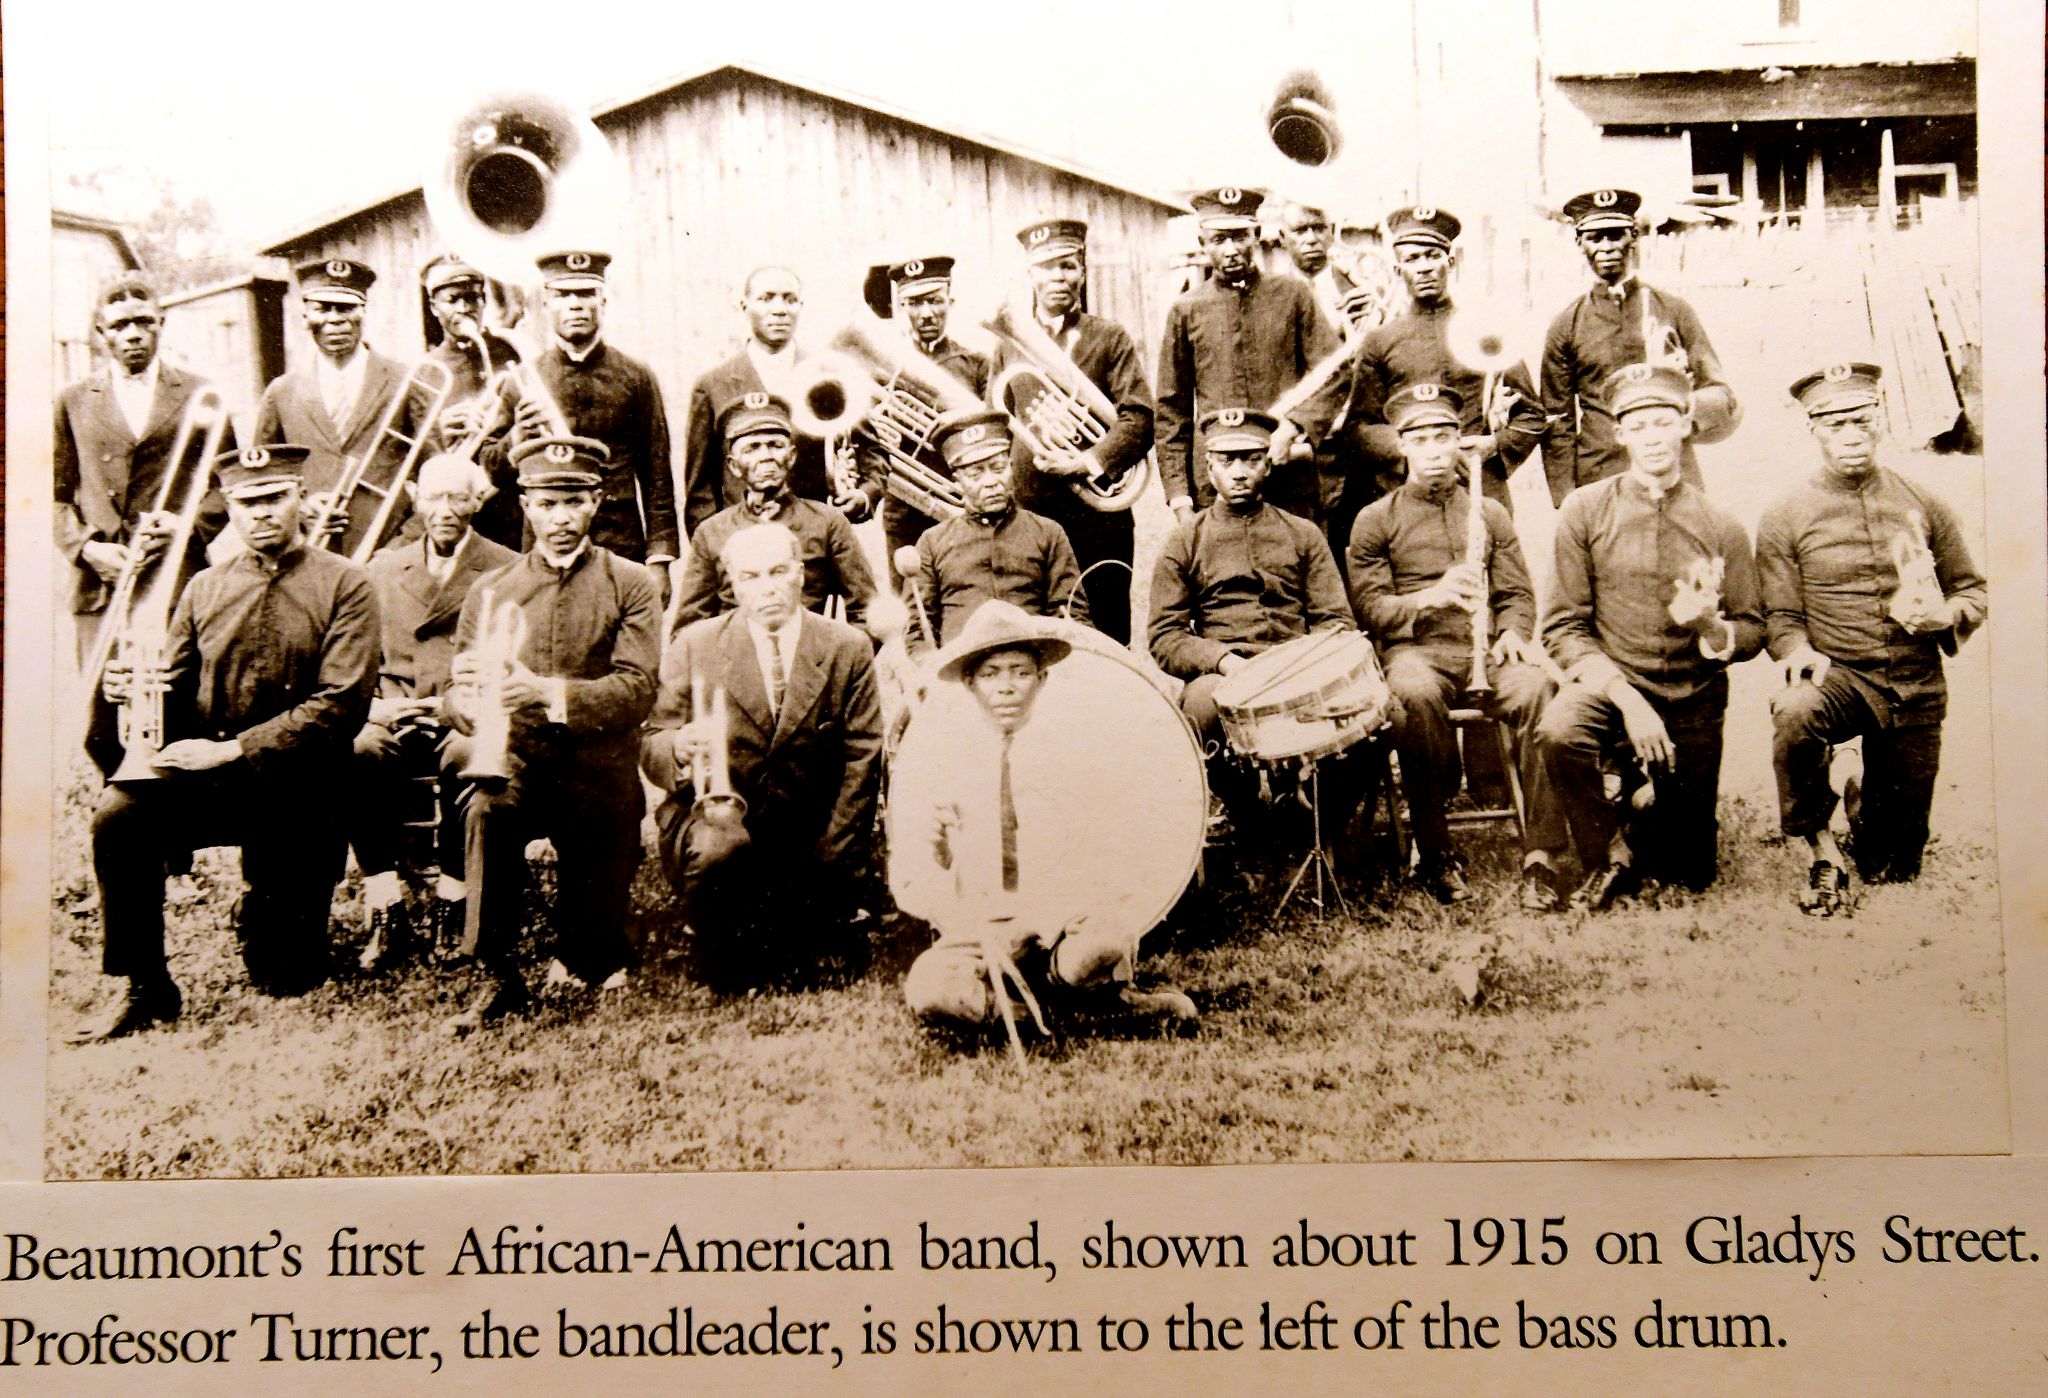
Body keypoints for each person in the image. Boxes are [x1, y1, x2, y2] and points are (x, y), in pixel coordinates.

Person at [73, 445, 380, 1041]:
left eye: (274, 498)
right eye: (247, 502)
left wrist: (235, 749)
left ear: (299, 499)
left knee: (288, 975)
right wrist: (131, 692)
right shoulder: (204, 588)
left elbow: (341, 705)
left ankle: (263, 910)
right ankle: (144, 984)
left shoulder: (348, 585)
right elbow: (176, 689)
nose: (261, 513)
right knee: (120, 818)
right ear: (231, 510)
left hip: (304, 788)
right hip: (214, 781)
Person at [442, 435, 662, 1030]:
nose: (559, 519)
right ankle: (497, 973)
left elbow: (637, 689)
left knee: (594, 960)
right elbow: (456, 699)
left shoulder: (632, 583)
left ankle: (590, 942)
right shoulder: (490, 590)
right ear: (525, 506)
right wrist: (466, 697)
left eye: (573, 503)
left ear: (597, 502)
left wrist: (545, 693)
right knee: (487, 809)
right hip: (523, 761)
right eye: (545, 504)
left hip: (600, 768)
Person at [900, 602, 1196, 1042]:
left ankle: (1056, 996)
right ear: (969, 684)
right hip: (989, 935)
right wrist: (938, 849)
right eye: (990, 674)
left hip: (1063, 928)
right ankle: (1059, 1015)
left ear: (1042, 679)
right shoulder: (949, 760)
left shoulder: (1076, 751)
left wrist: (1042, 922)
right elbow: (924, 887)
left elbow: (1112, 865)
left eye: (1020, 672)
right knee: (928, 987)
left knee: (1108, 933)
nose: (1006, 688)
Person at [1756, 361, 1988, 912]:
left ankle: (1863, 801)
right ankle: (1819, 846)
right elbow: (1781, 618)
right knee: (1795, 710)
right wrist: (1798, 650)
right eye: (1835, 424)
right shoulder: (1785, 514)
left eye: (1862, 420)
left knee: (1893, 867)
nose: (1852, 435)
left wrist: (1944, 616)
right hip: (1842, 679)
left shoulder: (1924, 502)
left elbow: (1973, 591)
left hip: (1914, 682)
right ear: (1811, 428)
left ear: (1880, 420)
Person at [1536, 364, 1764, 908]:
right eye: (1638, 426)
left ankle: (1640, 806)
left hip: (1693, 699)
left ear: (1687, 426)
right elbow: (1562, 624)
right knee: (1560, 730)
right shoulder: (1585, 510)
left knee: (1689, 871)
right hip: (1612, 689)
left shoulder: (1720, 523)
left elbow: (1754, 627)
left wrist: (1709, 625)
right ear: (1619, 434)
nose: (1653, 438)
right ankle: (1606, 851)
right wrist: (1627, 700)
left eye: (1664, 423)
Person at [1347, 384, 1568, 909]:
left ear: (1458, 442)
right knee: (1415, 695)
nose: (1434, 451)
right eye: (1420, 439)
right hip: (1414, 652)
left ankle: (1543, 855)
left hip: (1485, 652)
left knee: (1540, 689)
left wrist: (1513, 632)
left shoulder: (1488, 513)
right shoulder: (1375, 519)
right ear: (1402, 446)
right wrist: (1429, 598)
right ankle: (1437, 851)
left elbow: (1517, 594)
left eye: (1444, 437)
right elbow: (1371, 609)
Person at [642, 522, 884, 988]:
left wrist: (836, 855)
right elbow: (653, 736)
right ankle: (718, 933)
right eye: (750, 577)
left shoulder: (846, 647)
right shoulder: (695, 644)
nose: (767, 588)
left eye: (778, 572)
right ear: (730, 584)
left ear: (801, 574)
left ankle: (803, 918)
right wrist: (677, 746)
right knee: (723, 869)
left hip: (808, 824)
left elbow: (863, 756)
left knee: (811, 950)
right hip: (722, 820)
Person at [1148, 408, 1365, 835]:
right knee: (1201, 706)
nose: (1240, 472)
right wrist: (1223, 660)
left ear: (1268, 464)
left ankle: (1314, 814)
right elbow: (1164, 635)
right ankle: (1244, 810)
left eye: (1251, 459)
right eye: (1227, 461)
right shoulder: (1185, 540)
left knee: (1376, 713)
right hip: (1228, 670)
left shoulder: (1303, 533)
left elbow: (1334, 620)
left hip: (1296, 663)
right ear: (1208, 467)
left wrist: (1303, 664)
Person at [349, 453, 520, 969]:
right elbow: (357, 655)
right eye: (433, 497)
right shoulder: (380, 567)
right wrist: (376, 707)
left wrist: (458, 705)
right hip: (392, 710)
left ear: (478, 501)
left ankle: (452, 894)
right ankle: (385, 902)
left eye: (457, 497)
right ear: (415, 500)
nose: (444, 510)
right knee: (359, 751)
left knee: (466, 756)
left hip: (463, 711)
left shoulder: (506, 566)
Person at [1292, 205, 1546, 514]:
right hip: (1405, 490)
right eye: (1412, 259)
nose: (1424, 267)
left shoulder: (1487, 330)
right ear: (1398, 271)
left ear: (1451, 262)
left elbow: (1531, 415)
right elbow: (1359, 427)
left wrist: (1492, 445)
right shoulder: (1380, 340)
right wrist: (1412, 452)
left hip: (1477, 483)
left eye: (1433, 255)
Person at [989, 217, 1155, 644]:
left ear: (1082, 272)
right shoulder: (1007, 344)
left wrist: (1086, 461)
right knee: (1035, 634)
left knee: (1107, 634)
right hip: (1030, 514)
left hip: (1098, 520)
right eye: (1048, 267)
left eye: (1068, 265)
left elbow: (1139, 417)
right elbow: (996, 420)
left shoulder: (1109, 337)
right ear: (1031, 274)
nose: (1059, 277)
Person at [56, 274, 232, 672]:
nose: (133, 334)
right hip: (100, 580)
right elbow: (55, 496)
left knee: (179, 696)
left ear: (160, 324)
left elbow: (227, 486)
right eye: (119, 325)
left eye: (144, 322)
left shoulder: (200, 393)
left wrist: (185, 525)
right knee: (103, 712)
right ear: (101, 332)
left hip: (174, 571)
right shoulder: (72, 401)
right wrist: (86, 548)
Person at [497, 249, 680, 606]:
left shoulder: (636, 376)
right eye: (563, 295)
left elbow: (657, 472)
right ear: (546, 303)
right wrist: (515, 439)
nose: (576, 305)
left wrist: (659, 558)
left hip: (620, 541)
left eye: (586, 293)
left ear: (603, 300)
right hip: (545, 542)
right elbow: (490, 468)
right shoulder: (522, 379)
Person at [1539, 188, 1739, 505]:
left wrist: (1680, 403)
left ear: (1633, 236)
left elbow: (1720, 393)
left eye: (1615, 235)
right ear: (1579, 243)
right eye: (1594, 238)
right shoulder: (1565, 325)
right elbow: (1557, 422)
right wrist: (1566, 500)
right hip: (1602, 477)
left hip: (1674, 472)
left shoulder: (1674, 310)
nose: (1606, 247)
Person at [1156, 187, 1340, 525]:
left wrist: (1297, 427)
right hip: (1215, 487)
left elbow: (1334, 372)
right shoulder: (1186, 310)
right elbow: (1171, 410)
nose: (1230, 250)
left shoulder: (1293, 295)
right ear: (1202, 242)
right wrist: (1180, 498)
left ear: (1256, 235)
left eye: (1240, 237)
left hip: (1288, 481)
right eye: (1218, 239)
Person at [255, 258, 430, 558]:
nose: (335, 320)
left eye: (347, 308)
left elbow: (435, 472)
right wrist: (299, 510)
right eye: (322, 308)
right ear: (305, 315)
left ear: (363, 311)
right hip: (311, 555)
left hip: (392, 554)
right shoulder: (281, 393)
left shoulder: (406, 381)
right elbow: (261, 483)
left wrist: (407, 543)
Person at [673, 392, 878, 633]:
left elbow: (868, 613)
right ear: (733, 465)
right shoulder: (712, 532)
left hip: (808, 662)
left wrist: (833, 663)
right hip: (735, 664)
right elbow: (689, 629)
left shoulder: (828, 523)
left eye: (775, 445)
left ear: (791, 457)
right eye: (752, 448)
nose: (766, 457)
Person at [908, 409, 1090, 653]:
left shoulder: (1047, 533)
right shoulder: (932, 543)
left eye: (998, 467)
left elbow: (1071, 615)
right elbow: (917, 628)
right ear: (957, 480)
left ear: (1012, 467)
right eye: (975, 473)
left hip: (1034, 666)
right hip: (959, 673)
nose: (990, 481)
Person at [858, 255, 992, 585]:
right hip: (904, 509)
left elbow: (993, 438)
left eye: (935, 300)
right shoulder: (879, 367)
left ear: (950, 302)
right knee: (912, 604)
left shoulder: (975, 364)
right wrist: (881, 431)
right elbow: (864, 437)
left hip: (963, 503)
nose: (926, 313)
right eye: (915, 303)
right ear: (900, 307)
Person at [682, 265, 836, 535]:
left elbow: (869, 457)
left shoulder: (827, 377)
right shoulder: (712, 385)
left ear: (801, 306)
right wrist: (716, 549)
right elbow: (700, 490)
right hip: (743, 543)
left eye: (790, 299)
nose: (780, 309)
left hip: (814, 541)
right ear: (744, 306)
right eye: (766, 299)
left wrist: (863, 496)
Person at [415, 252, 524, 546]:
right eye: (453, 300)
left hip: (513, 504)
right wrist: (439, 429)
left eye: (473, 298)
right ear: (434, 307)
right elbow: (415, 454)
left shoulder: (510, 351)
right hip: (462, 514)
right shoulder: (425, 370)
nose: (465, 309)